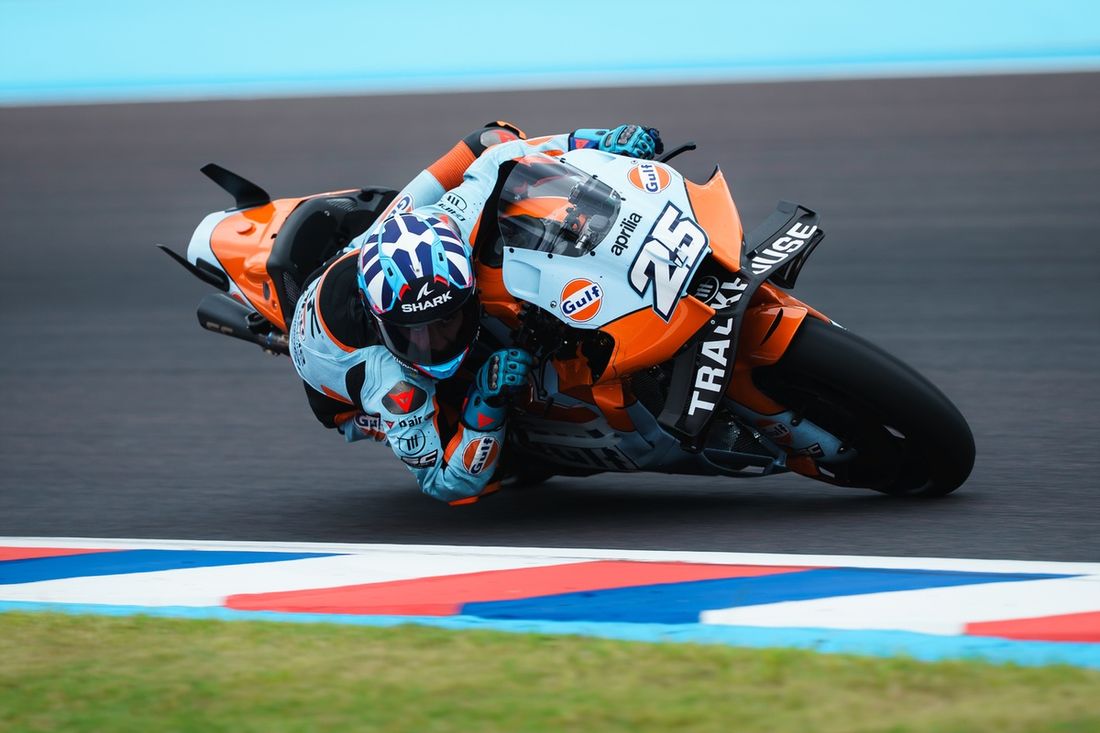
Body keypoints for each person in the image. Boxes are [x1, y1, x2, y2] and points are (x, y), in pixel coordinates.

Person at [289, 122, 663, 504]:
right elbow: (446, 484)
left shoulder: (454, 219)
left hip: (370, 248)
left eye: (449, 321)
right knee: (489, 471)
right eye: (418, 335)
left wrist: (601, 139)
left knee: (494, 137)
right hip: (339, 388)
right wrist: (487, 399)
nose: (439, 342)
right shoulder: (390, 385)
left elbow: (503, 156)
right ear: (382, 325)